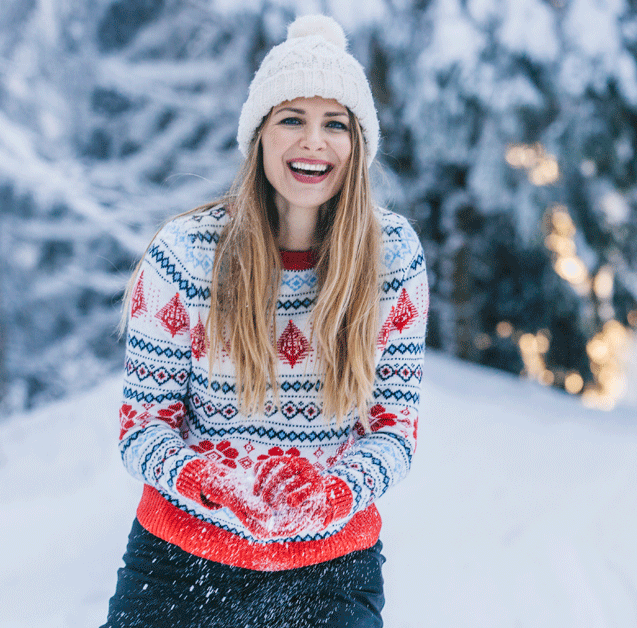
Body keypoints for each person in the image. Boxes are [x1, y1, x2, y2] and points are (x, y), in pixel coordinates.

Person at [103, 14, 427, 628]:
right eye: (292, 120)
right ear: (259, 137)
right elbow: (142, 426)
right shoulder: (185, 256)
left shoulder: (392, 258)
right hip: (182, 560)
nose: (314, 142)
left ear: (357, 144)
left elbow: (395, 428)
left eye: (335, 124)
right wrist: (207, 481)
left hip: (330, 569)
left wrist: (336, 494)